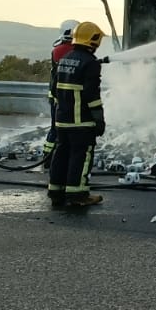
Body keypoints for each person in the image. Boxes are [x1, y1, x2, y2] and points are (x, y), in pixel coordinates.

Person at [49, 21, 107, 208]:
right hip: (81, 121)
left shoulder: (65, 59)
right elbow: (92, 96)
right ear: (93, 39)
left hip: (62, 119)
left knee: (61, 153)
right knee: (81, 156)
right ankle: (78, 194)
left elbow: (54, 89)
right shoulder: (90, 63)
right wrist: (98, 119)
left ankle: (56, 192)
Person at [43, 20, 80, 158]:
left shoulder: (57, 49)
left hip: (56, 96)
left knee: (55, 128)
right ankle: (57, 157)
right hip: (65, 97)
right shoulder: (69, 50)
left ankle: (47, 156)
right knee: (66, 129)